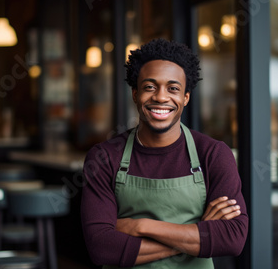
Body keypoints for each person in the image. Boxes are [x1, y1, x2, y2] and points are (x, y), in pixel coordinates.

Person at [81, 38, 248, 268]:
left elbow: (232, 239)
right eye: (150, 87)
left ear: (185, 98)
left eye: (173, 88)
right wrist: (198, 232)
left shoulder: (213, 154)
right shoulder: (104, 157)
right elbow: (102, 248)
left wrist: (139, 226)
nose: (161, 97)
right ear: (135, 93)